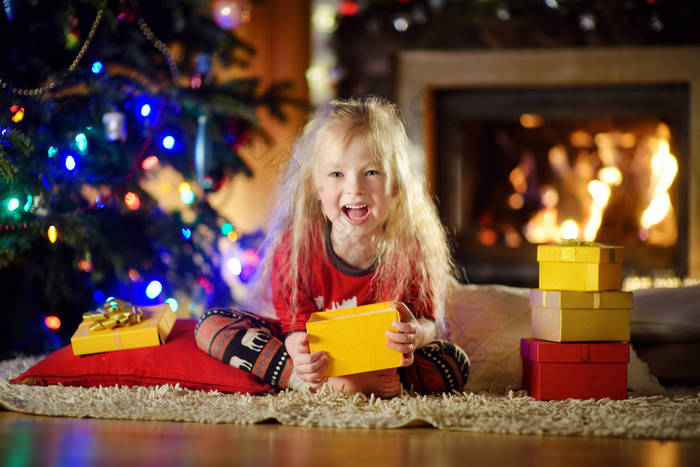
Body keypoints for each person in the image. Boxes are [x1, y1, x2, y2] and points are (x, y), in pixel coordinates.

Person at [195, 97, 469, 397]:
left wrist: (415, 336)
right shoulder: (297, 244)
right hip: (319, 358)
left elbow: (427, 320)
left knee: (453, 362)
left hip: (384, 358)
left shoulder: (411, 246)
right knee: (211, 326)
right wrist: (299, 354)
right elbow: (294, 327)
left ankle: (359, 382)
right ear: (316, 186)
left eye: (372, 172)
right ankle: (308, 380)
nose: (354, 187)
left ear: (395, 184)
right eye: (337, 174)